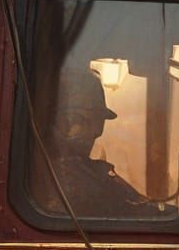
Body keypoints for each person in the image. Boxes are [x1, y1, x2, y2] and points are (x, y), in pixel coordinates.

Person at [43, 68, 171, 219]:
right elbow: (130, 208)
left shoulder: (88, 170)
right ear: (67, 119)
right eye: (93, 120)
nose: (97, 132)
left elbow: (134, 204)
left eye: (100, 122)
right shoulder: (67, 175)